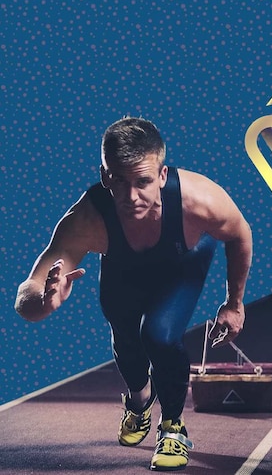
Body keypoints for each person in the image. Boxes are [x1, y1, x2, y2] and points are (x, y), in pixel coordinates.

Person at [14, 117, 253, 471]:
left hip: (183, 261)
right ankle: (140, 401)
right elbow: (26, 298)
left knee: (158, 335)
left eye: (142, 182)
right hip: (123, 266)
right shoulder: (87, 219)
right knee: (125, 338)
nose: (130, 197)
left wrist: (234, 304)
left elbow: (240, 235)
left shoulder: (200, 200)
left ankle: (172, 427)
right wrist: (43, 302)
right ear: (104, 175)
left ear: (161, 175)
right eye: (119, 182)